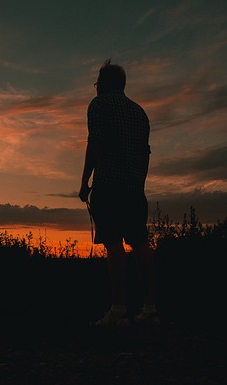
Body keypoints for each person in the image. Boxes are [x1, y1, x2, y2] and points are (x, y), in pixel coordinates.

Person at [78, 58, 160, 328]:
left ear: (105, 84)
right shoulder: (140, 112)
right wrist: (139, 182)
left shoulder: (99, 105)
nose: (96, 87)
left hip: (109, 185)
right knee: (140, 243)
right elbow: (146, 153)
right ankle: (150, 308)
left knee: (113, 244)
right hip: (135, 188)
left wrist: (84, 182)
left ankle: (118, 310)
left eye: (97, 82)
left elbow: (96, 143)